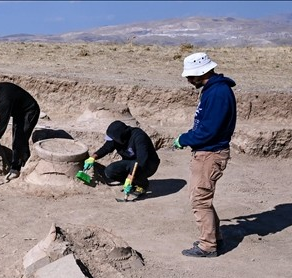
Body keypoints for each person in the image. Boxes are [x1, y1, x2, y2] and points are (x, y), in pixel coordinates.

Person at [173, 52, 237, 258]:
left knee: (200, 199)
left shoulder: (218, 93)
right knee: (202, 197)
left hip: (210, 152)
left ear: (202, 72)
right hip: (207, 151)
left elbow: (209, 130)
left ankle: (208, 246)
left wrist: (185, 139)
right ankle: (214, 236)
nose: (189, 81)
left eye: (191, 77)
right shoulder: (213, 90)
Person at [0, 80, 40, 181]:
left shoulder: (4, 99)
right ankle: (24, 161)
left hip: (30, 111)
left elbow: (3, 122)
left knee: (19, 139)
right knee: (18, 138)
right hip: (19, 112)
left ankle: (16, 169)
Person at [85, 120, 160, 200]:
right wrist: (93, 157)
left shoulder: (139, 137)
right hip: (130, 163)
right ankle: (133, 183)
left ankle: (143, 184)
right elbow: (106, 147)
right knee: (110, 171)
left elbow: (142, 159)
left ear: (120, 137)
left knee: (134, 168)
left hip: (148, 164)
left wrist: (130, 176)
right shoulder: (117, 138)